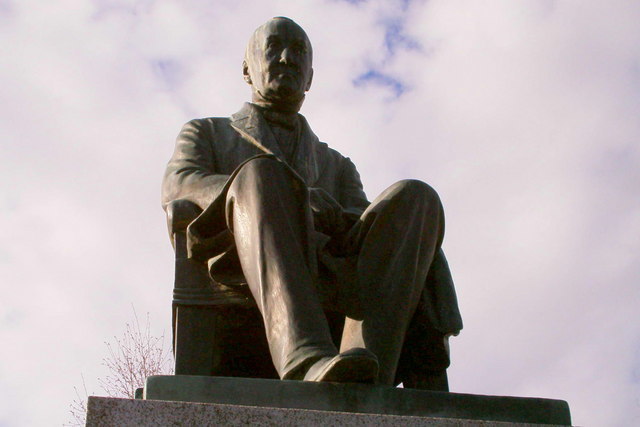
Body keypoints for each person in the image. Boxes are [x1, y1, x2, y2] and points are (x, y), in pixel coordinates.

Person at [162, 17, 462, 386]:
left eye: (298, 52)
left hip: (333, 267)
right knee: (260, 173)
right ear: (246, 69)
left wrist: (336, 219)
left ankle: (366, 370)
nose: (287, 59)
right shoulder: (207, 131)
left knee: (417, 198)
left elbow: (360, 221)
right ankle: (306, 360)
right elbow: (180, 182)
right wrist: (289, 196)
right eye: (274, 48)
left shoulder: (337, 164)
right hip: (242, 258)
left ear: (310, 77)